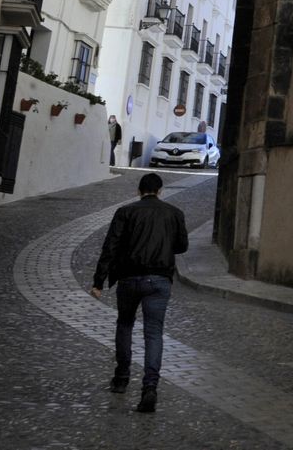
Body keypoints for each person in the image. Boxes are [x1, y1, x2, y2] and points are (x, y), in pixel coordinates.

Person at [89, 172, 188, 413]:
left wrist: (98, 281)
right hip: (159, 279)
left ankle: (122, 378)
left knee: (125, 324)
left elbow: (110, 246)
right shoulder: (174, 213)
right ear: (160, 190)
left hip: (129, 278)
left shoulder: (125, 212)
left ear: (139, 190)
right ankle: (150, 387)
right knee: (153, 333)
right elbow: (182, 246)